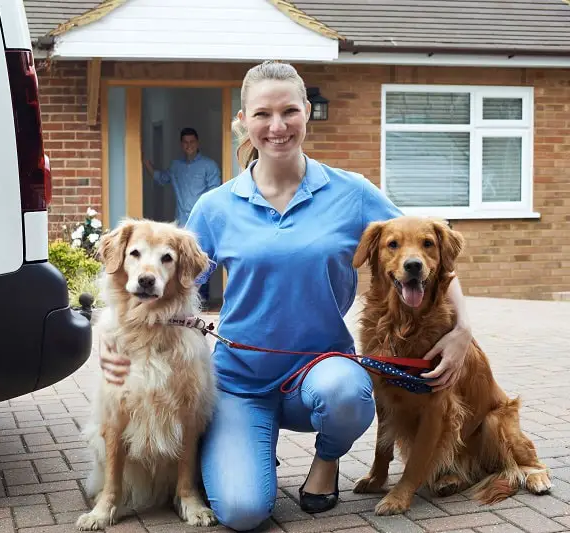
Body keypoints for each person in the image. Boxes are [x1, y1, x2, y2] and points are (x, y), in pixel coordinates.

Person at [100, 61, 474, 531]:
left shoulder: (350, 192)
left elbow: (430, 252)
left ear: (306, 115)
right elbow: (160, 279)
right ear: (244, 120)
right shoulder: (216, 206)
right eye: (262, 115)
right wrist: (112, 338)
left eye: (289, 112)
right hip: (238, 379)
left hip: (320, 370)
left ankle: (326, 460)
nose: (277, 127)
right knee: (241, 511)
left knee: (348, 394)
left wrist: (462, 330)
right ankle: (252, 447)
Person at [144, 127, 221, 304]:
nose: (189, 145)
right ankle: (183, 302)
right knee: (180, 262)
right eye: (185, 142)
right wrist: (146, 164)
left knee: (201, 260)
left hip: (203, 222)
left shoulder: (209, 166)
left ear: (197, 142)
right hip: (181, 224)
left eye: (192, 142)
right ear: (181, 144)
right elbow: (162, 178)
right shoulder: (175, 166)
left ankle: (203, 302)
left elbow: (214, 193)